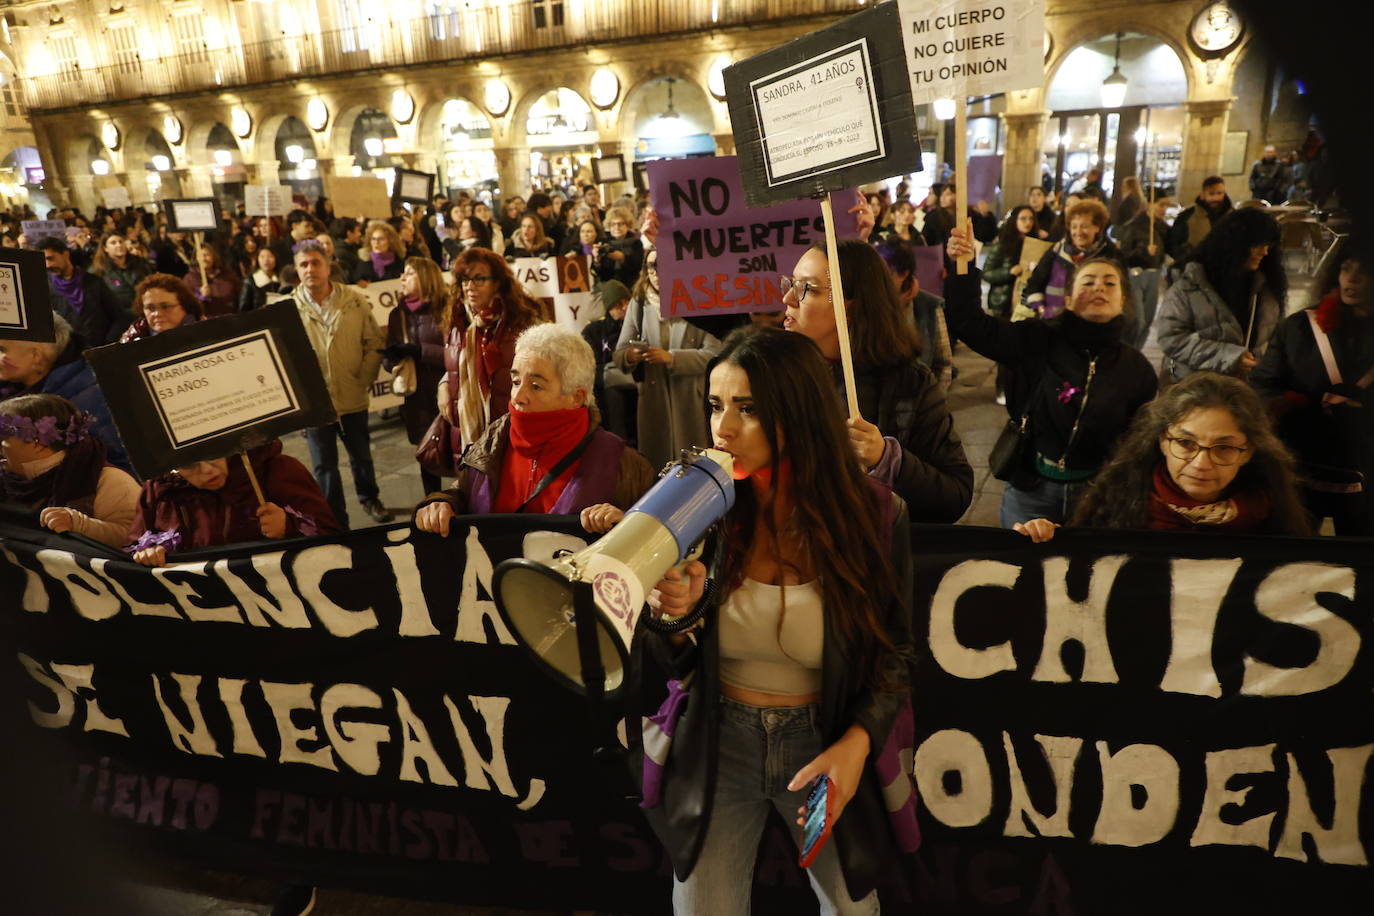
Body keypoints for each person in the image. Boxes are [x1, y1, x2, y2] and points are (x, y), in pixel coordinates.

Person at [635, 325, 915, 915]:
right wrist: (676, 619)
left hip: (823, 745)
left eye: (749, 409)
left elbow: (896, 653)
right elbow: (670, 658)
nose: (722, 428)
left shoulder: (875, 515)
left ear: (799, 412)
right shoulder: (698, 506)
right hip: (721, 740)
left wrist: (857, 745)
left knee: (851, 908)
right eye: (715, 406)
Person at [945, 227, 1158, 526]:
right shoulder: (1036, 339)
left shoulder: (1137, 369)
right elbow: (970, 324)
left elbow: (1141, 440)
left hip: (1096, 495)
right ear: (1068, 299)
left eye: (1110, 283)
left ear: (1122, 300)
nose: (1099, 287)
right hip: (1031, 489)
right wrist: (963, 266)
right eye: (1089, 281)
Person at [783, 240, 972, 522]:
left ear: (849, 307)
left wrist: (887, 459)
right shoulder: (774, 373)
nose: (787, 298)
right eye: (790, 283)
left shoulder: (911, 384)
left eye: (805, 288)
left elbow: (955, 494)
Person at [415, 323, 654, 535]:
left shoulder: (623, 464)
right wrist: (443, 503)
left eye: (536, 386)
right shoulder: (492, 439)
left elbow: (653, 539)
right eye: (516, 381)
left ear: (576, 396)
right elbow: (464, 494)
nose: (518, 396)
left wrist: (624, 524)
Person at [1016, 372, 1310, 540]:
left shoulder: (1276, 522)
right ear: (1162, 441)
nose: (1201, 464)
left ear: (1248, 453)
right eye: (1185, 443)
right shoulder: (1115, 502)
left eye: (1224, 448)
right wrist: (1047, 539)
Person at [1250, 239, 1374, 534]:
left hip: (1366, 467)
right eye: (1345, 269)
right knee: (1297, 556)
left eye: (1364, 271)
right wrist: (1287, 402)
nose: (1351, 279)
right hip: (1305, 461)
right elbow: (1263, 383)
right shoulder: (1301, 328)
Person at [292, 240, 390, 528]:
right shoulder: (288, 310)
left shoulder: (353, 301)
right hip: (316, 405)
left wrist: (364, 378)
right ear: (297, 270)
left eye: (315, 262)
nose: (310, 269)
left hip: (351, 397)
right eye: (304, 264)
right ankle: (334, 517)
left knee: (361, 456)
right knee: (324, 467)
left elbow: (374, 343)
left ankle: (370, 498)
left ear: (327, 265)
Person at [128, 440, 342, 566]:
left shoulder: (277, 470)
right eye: (189, 465)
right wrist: (148, 552)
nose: (208, 469)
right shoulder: (161, 492)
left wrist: (290, 526)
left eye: (213, 454)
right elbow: (133, 547)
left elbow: (334, 539)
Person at [613, 248, 722, 470]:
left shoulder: (699, 298)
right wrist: (631, 355)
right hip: (653, 402)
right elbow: (619, 353)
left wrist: (672, 358)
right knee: (656, 466)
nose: (656, 272)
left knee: (694, 468)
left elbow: (715, 353)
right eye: (651, 266)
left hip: (690, 399)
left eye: (662, 265)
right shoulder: (639, 302)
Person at [440, 248, 549, 461]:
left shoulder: (523, 320)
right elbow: (453, 366)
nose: (470, 287)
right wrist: (443, 384)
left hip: (512, 431)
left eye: (479, 279)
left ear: (497, 283)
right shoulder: (457, 320)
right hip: (468, 435)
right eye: (465, 279)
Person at [1157, 207, 1284, 382]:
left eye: (1269, 245)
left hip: (1245, 388)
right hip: (1195, 387)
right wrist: (1229, 357)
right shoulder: (1189, 286)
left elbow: (1272, 337)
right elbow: (1171, 338)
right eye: (1258, 244)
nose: (1264, 252)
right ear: (1237, 244)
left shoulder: (1266, 286)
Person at [0, 394, 140, 547]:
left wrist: (80, 525)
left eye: (3, 436)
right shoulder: (8, 480)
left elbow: (135, 537)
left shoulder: (109, 479)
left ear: (37, 441)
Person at [0, 315, 131, 473]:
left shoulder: (90, 399)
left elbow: (123, 467)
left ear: (36, 356)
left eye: (2, 350)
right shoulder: (16, 387)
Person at [383, 256, 449, 496]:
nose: (402, 278)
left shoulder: (447, 309)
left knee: (458, 453)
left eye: (409, 273)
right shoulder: (397, 314)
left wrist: (421, 351)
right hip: (417, 399)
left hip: (447, 393)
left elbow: (458, 354)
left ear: (426, 277)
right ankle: (432, 503)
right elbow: (389, 360)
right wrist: (391, 359)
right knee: (427, 455)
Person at [1021, 198, 1123, 321]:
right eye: (1074, 226)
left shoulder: (1111, 255)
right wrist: (1041, 308)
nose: (1078, 232)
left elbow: (1122, 293)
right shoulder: (1057, 250)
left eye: (1084, 226)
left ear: (1098, 228)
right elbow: (1034, 283)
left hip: (1091, 325)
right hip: (1053, 322)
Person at [873, 237, 953, 393]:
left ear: (904, 273)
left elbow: (943, 363)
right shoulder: (869, 303)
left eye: (887, 272)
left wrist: (932, 401)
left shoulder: (928, 305)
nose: (879, 279)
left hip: (919, 399)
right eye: (876, 271)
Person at [36, 237, 127, 346]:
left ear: (65, 254)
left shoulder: (94, 282)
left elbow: (118, 316)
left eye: (50, 258)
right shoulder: (45, 289)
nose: (47, 265)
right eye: (43, 260)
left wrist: (108, 342)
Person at [582, 279, 637, 442]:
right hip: (606, 388)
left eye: (628, 301)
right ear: (609, 306)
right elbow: (588, 367)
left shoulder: (637, 326)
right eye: (619, 304)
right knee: (612, 395)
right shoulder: (594, 331)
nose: (625, 307)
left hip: (636, 383)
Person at [981, 205, 1037, 318]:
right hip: (1003, 302)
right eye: (1023, 218)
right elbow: (986, 274)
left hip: (1026, 303)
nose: (1028, 222)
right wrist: (1009, 272)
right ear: (1014, 220)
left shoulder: (1035, 243)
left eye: (1031, 218)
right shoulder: (1002, 245)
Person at [1166, 176, 1233, 266]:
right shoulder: (1187, 217)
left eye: (1219, 193)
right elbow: (1175, 243)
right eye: (1211, 194)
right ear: (1203, 194)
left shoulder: (1233, 216)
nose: (1216, 198)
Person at [118, 274, 202, 342]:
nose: (157, 314)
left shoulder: (206, 332)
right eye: (150, 308)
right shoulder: (132, 340)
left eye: (165, 307)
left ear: (185, 306)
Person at [89, 232, 152, 316]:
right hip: (119, 318)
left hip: (146, 312)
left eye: (121, 241)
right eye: (113, 243)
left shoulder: (139, 263)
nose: (119, 245)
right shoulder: (98, 271)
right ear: (105, 248)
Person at [184, 244, 240, 319]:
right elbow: (188, 306)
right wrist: (201, 297)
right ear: (196, 258)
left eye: (207, 255)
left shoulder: (227, 275)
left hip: (231, 319)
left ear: (214, 256)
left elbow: (240, 296)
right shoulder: (190, 279)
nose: (203, 259)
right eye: (200, 256)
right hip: (207, 323)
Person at [596, 206, 644, 288]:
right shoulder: (605, 244)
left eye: (621, 224)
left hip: (631, 286)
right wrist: (596, 260)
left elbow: (639, 267)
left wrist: (623, 258)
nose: (617, 227)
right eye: (613, 224)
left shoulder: (635, 242)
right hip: (609, 288)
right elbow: (600, 274)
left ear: (628, 225)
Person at [350, 220, 406, 285]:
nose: (376, 242)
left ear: (390, 241)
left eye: (381, 239)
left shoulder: (399, 263)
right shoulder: (364, 264)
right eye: (373, 239)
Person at [238, 246, 287, 312]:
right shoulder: (250, 281)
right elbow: (243, 309)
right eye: (262, 257)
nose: (266, 260)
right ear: (257, 260)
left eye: (270, 256)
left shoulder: (282, 279)